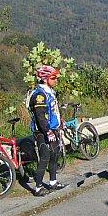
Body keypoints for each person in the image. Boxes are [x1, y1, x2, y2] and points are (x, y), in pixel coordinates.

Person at [27, 65, 67, 196]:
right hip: (42, 132)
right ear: (45, 79)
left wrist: (60, 121)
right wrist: (47, 131)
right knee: (45, 157)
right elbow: (40, 116)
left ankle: (53, 182)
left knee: (55, 155)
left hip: (53, 128)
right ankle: (38, 188)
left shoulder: (50, 91)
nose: (56, 80)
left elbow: (53, 110)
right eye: (53, 78)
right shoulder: (40, 95)